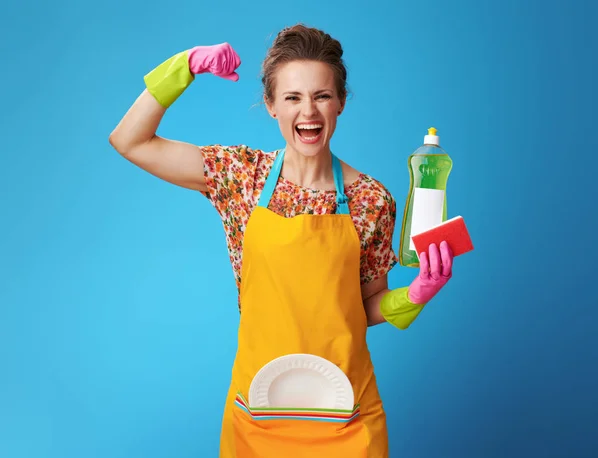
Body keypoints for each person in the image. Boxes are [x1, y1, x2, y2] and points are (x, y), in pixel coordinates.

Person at [109, 24, 454, 458]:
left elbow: (363, 308)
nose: (308, 111)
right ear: (271, 105)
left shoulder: (371, 200)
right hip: (259, 415)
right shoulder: (241, 177)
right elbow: (129, 140)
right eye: (292, 97)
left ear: (341, 103)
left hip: (346, 418)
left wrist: (415, 295)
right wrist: (186, 65)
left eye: (322, 95)